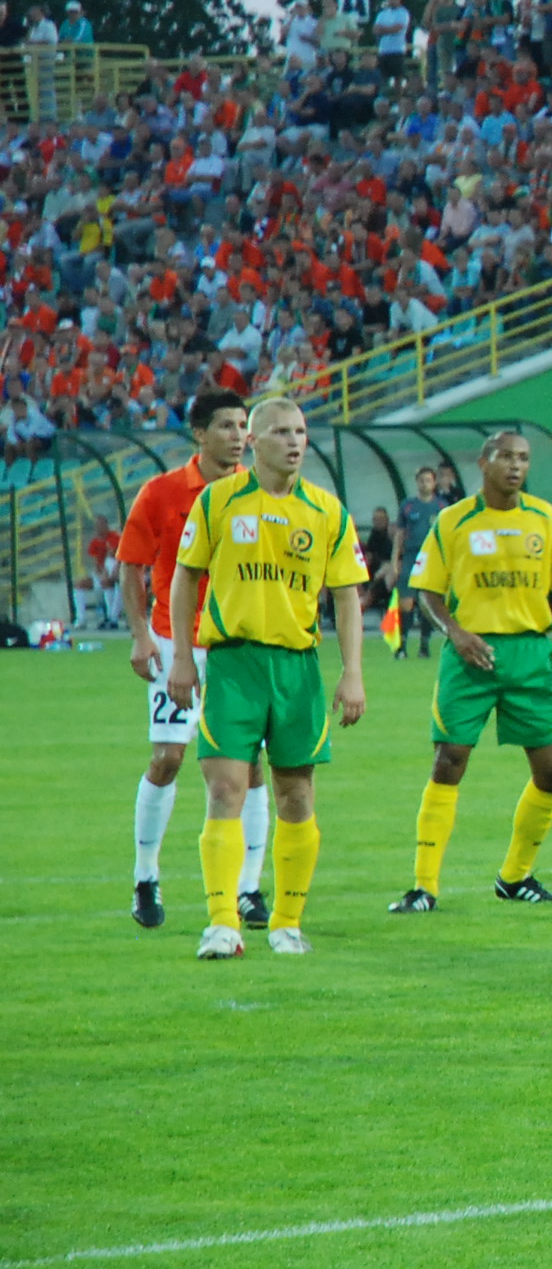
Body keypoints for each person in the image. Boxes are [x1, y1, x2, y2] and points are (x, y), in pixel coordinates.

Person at [169, 397, 369, 960]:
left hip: (297, 667)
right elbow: (186, 579)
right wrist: (183, 656)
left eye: (300, 432)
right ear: (254, 443)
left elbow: (347, 598)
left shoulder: (327, 510)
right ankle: (222, 923)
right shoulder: (219, 500)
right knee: (225, 788)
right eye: (281, 432)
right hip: (234, 664)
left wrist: (352, 672)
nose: (295, 442)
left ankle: (286, 922)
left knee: (296, 794)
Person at [388, 429, 552, 913]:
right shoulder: (453, 520)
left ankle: (515, 876)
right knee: (449, 760)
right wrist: (456, 633)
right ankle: (424, 886)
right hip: (470, 655)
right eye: (506, 456)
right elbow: (427, 590)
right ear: (484, 463)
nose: (516, 465)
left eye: (523, 458)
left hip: (530, 654)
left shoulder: (545, 518)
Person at [119, 390, 268, 931]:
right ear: (199, 434)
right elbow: (131, 565)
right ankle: (145, 876)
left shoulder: (260, 492)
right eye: (226, 425)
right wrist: (141, 637)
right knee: (168, 758)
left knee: (251, 764)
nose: (238, 435)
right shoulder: (161, 493)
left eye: (243, 425)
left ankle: (248, 887)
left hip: (240, 646)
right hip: (176, 642)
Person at [393, 467, 445, 658]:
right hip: (410, 557)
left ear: (434, 483)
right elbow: (399, 534)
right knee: (406, 602)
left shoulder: (442, 507)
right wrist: (394, 560)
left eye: (428, 480)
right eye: (422, 480)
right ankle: (402, 646)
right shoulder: (408, 505)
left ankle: (424, 645)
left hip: (431, 558)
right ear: (417, 482)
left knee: (427, 602)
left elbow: (446, 536)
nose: (425, 484)